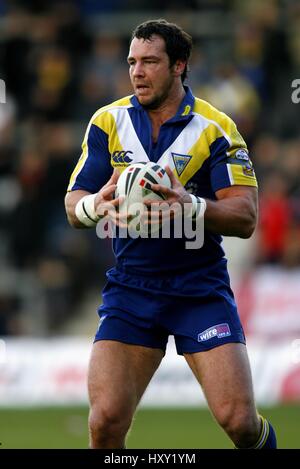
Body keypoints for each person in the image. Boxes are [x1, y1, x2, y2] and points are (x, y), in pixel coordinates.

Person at [65, 19, 277, 449]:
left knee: (240, 422)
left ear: (179, 65)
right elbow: (73, 203)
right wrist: (95, 207)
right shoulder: (107, 122)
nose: (137, 72)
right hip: (131, 288)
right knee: (105, 423)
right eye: (131, 62)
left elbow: (245, 216)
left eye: (150, 62)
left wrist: (192, 207)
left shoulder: (215, 128)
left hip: (198, 289)